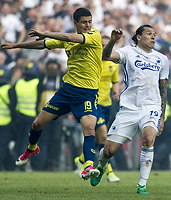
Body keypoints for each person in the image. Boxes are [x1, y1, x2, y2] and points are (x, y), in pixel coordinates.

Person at [0, 7, 102, 180]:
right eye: (84, 22)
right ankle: (32, 149)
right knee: (37, 124)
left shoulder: (94, 36)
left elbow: (68, 37)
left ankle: (88, 165)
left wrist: (47, 32)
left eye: (89, 21)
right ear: (75, 22)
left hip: (87, 93)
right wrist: (17, 45)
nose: (87, 25)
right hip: (67, 91)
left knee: (89, 129)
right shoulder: (69, 40)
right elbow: (42, 44)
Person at [90, 25, 169, 194]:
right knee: (109, 150)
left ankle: (142, 185)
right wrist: (112, 41)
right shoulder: (128, 52)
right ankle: (102, 166)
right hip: (129, 108)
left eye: (154, 35)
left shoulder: (162, 59)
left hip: (151, 106)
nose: (153, 37)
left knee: (148, 138)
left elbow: (163, 89)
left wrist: (162, 116)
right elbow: (105, 55)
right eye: (149, 34)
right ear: (138, 37)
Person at [74, 35, 120, 182]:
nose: (105, 48)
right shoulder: (91, 62)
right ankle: (109, 172)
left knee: (98, 138)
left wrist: (116, 91)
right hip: (94, 102)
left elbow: (115, 80)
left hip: (107, 104)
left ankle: (80, 160)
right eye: (102, 45)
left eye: (108, 45)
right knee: (104, 137)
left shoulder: (114, 64)